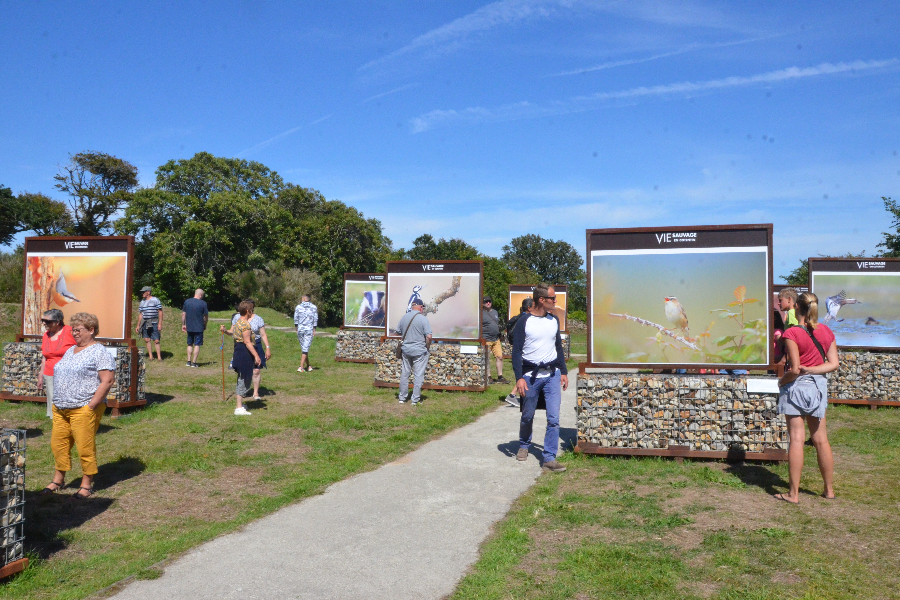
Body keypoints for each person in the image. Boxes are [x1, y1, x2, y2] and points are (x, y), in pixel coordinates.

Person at [39, 312, 115, 499]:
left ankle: (86, 484)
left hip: (83, 407)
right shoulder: (70, 350)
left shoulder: (99, 351)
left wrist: (91, 405)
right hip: (61, 407)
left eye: (79, 330)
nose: (75, 333)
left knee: (84, 447)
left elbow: (107, 380)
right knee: (59, 445)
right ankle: (58, 479)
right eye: (73, 330)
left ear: (91, 330)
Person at [776, 292, 838, 504]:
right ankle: (829, 490)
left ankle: (793, 494)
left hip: (796, 386)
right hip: (818, 385)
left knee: (797, 439)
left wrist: (781, 382)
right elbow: (833, 363)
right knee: (821, 439)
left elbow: (794, 369)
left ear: (796, 308)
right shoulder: (826, 331)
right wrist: (813, 369)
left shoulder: (792, 333)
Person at [511, 284, 568, 473]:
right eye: (552, 298)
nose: (555, 301)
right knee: (528, 415)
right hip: (530, 376)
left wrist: (564, 372)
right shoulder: (524, 321)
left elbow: (558, 347)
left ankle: (549, 458)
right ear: (541, 300)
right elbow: (517, 352)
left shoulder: (554, 320)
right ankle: (524, 444)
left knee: (553, 418)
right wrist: (519, 377)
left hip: (552, 375)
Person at [220, 301, 261, 416]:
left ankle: (240, 405)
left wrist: (225, 331)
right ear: (247, 311)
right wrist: (256, 355)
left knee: (242, 377)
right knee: (244, 378)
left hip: (238, 351)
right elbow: (247, 342)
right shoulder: (245, 325)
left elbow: (232, 332)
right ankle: (238, 408)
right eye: (252, 309)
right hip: (244, 353)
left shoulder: (238, 322)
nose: (252, 312)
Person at [36, 309, 77, 419]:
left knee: (68, 399)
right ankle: (56, 421)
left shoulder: (70, 332)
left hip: (68, 373)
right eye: (42, 320)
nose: (44, 323)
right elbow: (45, 356)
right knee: (52, 398)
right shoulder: (46, 335)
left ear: (57, 322)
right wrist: (41, 375)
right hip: (50, 372)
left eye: (47, 321)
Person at [230, 299, 271, 400]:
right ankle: (242, 392)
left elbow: (263, 334)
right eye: (250, 308)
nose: (251, 310)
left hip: (256, 344)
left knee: (256, 370)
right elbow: (232, 331)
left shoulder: (258, 319)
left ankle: (255, 393)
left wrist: (267, 347)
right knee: (243, 370)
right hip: (243, 346)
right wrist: (225, 331)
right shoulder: (238, 319)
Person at [396, 298, 432, 406]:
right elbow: (429, 336)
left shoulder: (404, 317)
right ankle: (415, 399)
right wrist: (427, 346)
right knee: (418, 375)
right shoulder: (423, 319)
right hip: (419, 350)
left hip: (406, 350)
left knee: (405, 374)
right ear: (421, 307)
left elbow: (398, 332)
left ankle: (402, 398)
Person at [502, 298, 533, 407]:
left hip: (519, 349)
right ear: (529, 308)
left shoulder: (518, 317)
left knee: (525, 372)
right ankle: (512, 395)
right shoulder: (526, 319)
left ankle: (514, 395)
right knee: (525, 372)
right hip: (524, 350)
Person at [482, 295, 508, 385]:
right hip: (486, 339)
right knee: (487, 359)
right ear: (482, 303)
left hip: (496, 339)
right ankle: (488, 377)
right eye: (486, 301)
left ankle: (500, 377)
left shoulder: (495, 312)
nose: (488, 303)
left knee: (500, 357)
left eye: (489, 301)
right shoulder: (480, 313)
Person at [181, 289, 209, 367]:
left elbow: (183, 314)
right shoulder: (203, 303)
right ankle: (194, 362)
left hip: (189, 326)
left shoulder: (187, 301)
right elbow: (206, 316)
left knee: (189, 344)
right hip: (199, 327)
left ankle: (188, 361)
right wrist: (205, 324)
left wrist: (183, 324)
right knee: (197, 344)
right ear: (200, 295)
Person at [136, 285, 163, 361]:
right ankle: (151, 356)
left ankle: (159, 357)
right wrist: (138, 325)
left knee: (156, 340)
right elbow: (141, 314)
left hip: (154, 322)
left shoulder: (155, 300)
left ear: (148, 292)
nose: (142, 294)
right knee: (147, 339)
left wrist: (160, 323)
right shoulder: (142, 302)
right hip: (145, 322)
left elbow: (160, 312)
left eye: (143, 292)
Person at [293, 294, 318, 372]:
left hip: (300, 330)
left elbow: (295, 318)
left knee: (304, 348)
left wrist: (296, 327)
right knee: (305, 348)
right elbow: (315, 318)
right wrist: (314, 329)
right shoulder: (314, 307)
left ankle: (304, 366)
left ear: (303, 299)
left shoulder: (298, 307)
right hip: (309, 330)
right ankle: (303, 366)